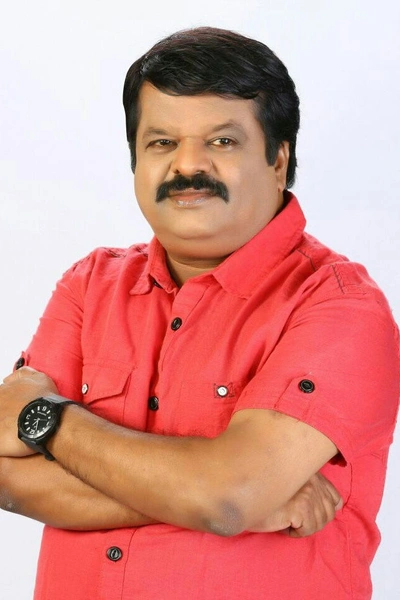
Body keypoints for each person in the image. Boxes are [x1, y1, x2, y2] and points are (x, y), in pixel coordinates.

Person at [0, 26, 398, 600]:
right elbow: (8, 476)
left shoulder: (338, 305)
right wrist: (223, 499)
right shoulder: (89, 285)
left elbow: (229, 495)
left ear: (279, 159)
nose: (188, 165)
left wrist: (45, 419)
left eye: (223, 141)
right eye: (162, 142)